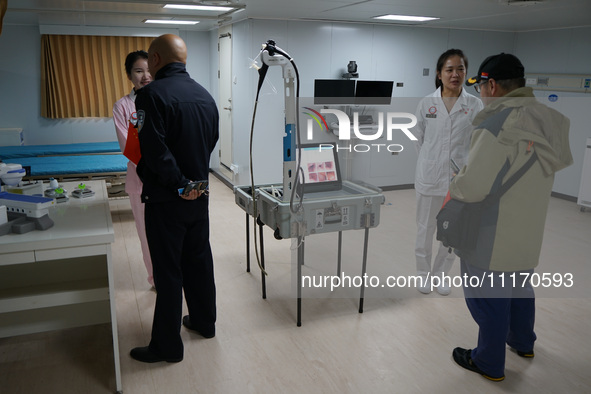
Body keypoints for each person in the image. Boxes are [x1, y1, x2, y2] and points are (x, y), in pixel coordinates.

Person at [450, 53, 573, 381]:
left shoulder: (495, 122)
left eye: (481, 87)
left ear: (491, 85)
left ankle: (488, 361)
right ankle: (523, 342)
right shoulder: (550, 119)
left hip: (492, 230)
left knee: (488, 296)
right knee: (520, 287)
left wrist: (455, 184)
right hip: (529, 228)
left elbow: (473, 186)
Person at [129, 34, 219, 363]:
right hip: (200, 194)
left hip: (168, 199)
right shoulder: (205, 96)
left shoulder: (150, 96)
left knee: (168, 272)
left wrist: (179, 184)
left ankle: (167, 346)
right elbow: (210, 142)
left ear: (154, 60)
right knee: (198, 261)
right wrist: (193, 183)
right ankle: (204, 322)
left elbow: (154, 151)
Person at [413, 49, 483, 295]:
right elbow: (419, 140)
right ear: (439, 74)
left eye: (460, 69)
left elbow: (478, 143)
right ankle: (423, 274)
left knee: (452, 231)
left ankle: (441, 275)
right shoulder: (426, 104)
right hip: (429, 179)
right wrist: (432, 162)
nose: (456, 74)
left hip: (458, 181)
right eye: (450, 69)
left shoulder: (474, 105)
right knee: (425, 230)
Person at [112, 50, 154, 288]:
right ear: (129, 75)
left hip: (167, 181)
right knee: (146, 234)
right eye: (139, 71)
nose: (146, 76)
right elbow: (128, 147)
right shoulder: (123, 106)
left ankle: (174, 276)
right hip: (140, 182)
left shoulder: (163, 98)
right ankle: (155, 278)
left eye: (149, 70)